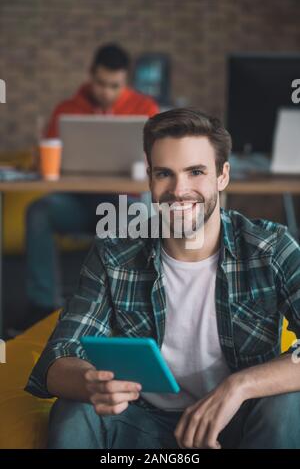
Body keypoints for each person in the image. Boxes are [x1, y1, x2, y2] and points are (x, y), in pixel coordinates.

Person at [25, 108, 300, 449]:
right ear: (150, 177)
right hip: (140, 423)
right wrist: (91, 383)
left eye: (196, 171)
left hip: (238, 420)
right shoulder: (115, 255)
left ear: (222, 175)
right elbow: (58, 356)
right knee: (74, 409)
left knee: (288, 406)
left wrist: (239, 386)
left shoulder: (271, 248)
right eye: (165, 173)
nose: (179, 190)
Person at [22, 44, 159, 331]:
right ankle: (42, 305)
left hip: (123, 202)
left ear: (127, 82)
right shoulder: (67, 109)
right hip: (78, 202)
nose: (106, 92)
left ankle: (116, 312)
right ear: (90, 76)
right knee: (39, 211)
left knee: (135, 216)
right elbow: (48, 160)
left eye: (114, 86)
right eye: (100, 83)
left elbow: (159, 160)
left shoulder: (145, 109)